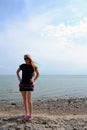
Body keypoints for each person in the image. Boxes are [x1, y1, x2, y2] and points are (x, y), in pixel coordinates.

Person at [16, 54, 39, 120]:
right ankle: (26, 113)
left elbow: (38, 74)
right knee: (24, 99)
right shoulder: (22, 66)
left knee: (29, 100)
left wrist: (34, 80)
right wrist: (19, 79)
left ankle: (30, 114)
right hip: (22, 84)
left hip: (29, 84)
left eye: (27, 58)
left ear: (30, 59)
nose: (26, 60)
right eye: (25, 59)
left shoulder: (33, 66)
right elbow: (17, 72)